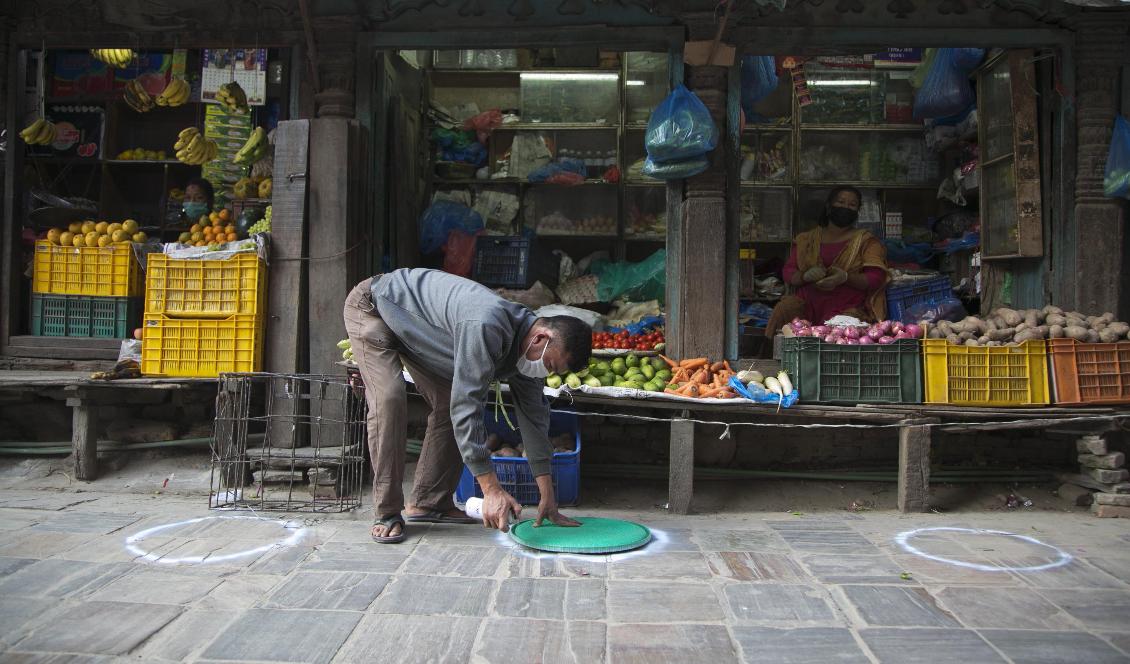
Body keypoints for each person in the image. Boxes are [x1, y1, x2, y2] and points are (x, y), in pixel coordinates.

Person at [343, 268, 592, 543]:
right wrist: (492, 490)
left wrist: (548, 497)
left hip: (419, 329)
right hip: (375, 308)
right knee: (389, 399)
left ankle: (429, 502)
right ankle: (387, 512)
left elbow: (534, 419)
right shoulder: (487, 324)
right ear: (541, 338)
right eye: (549, 364)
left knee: (450, 401)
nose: (546, 372)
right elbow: (467, 406)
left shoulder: (529, 356)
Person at [765, 186, 889, 337]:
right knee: (784, 308)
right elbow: (789, 272)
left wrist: (845, 277)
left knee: (846, 329)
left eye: (852, 204)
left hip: (848, 308)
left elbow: (876, 278)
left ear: (858, 210)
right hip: (807, 306)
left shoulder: (867, 241)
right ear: (829, 205)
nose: (845, 207)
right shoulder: (806, 239)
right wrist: (805, 275)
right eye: (841, 202)